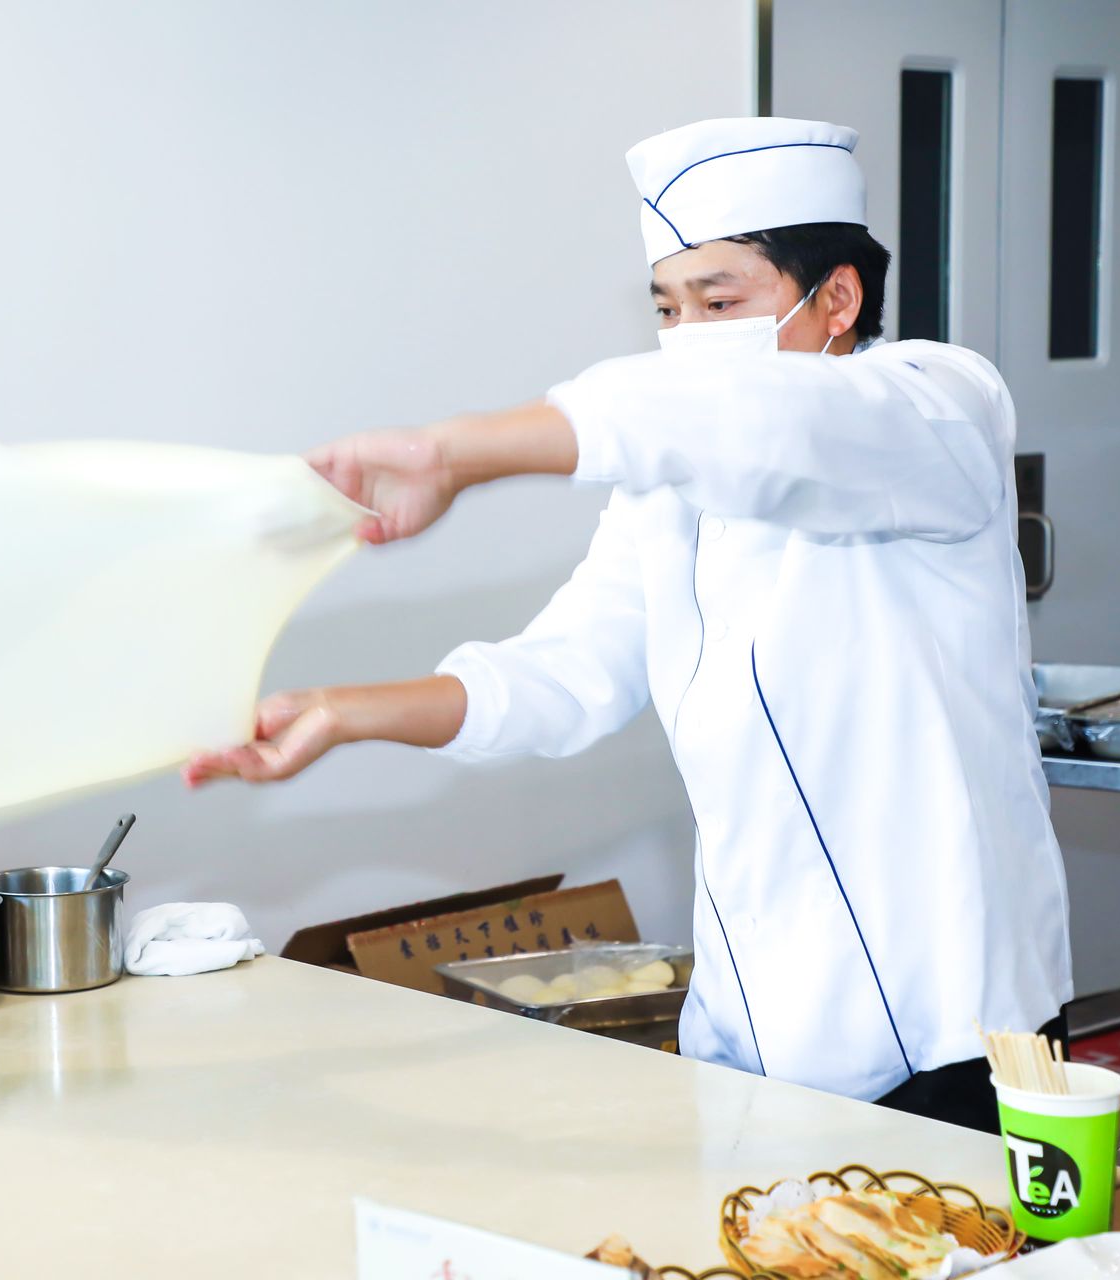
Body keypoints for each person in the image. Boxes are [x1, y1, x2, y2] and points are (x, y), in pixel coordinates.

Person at [183, 116, 1072, 1134]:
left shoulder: (936, 407)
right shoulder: (668, 490)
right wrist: (341, 712)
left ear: (838, 298)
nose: (689, 335)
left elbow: (763, 419)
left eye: (719, 302)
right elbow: (565, 673)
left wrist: (456, 452)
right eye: (667, 306)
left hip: (959, 1019)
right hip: (755, 1017)